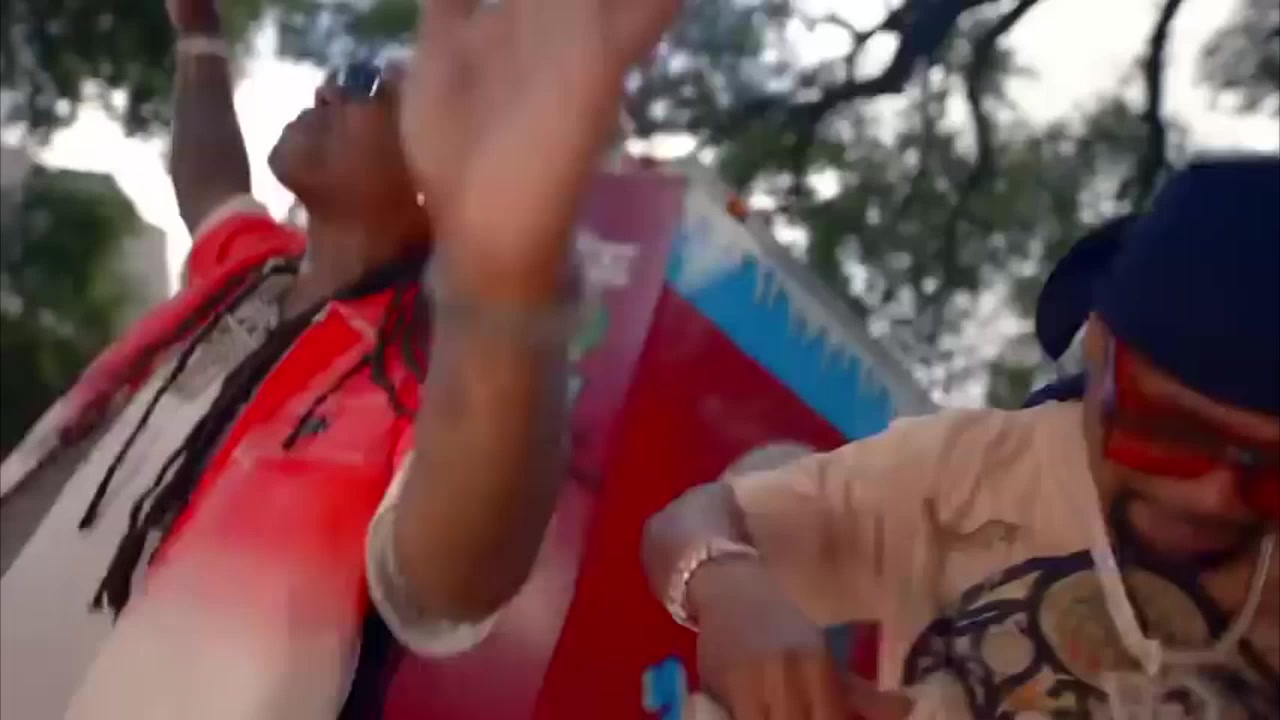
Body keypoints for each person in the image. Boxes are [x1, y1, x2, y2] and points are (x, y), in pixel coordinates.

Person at [0, 0, 678, 717]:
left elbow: (452, 582)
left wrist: (504, 277)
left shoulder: (426, 381)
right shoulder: (249, 272)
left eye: (364, 83)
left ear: (435, 175)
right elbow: (209, 180)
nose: (326, 89)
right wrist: (199, 34)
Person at [642, 156, 1279, 719]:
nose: (1217, 496)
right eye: (1173, 431)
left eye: (1273, 466)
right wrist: (729, 587)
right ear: (1099, 350)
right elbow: (688, 522)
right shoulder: (968, 472)